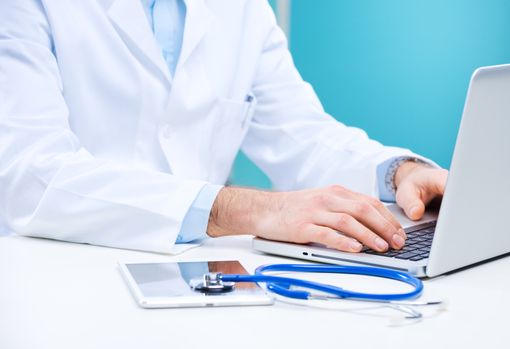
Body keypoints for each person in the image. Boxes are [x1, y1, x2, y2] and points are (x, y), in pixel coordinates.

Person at [0, 0, 447, 254]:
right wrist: (240, 210)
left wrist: (398, 172)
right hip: (57, 275)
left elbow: (300, 133)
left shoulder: (242, 9)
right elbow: (32, 175)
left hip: (197, 282)